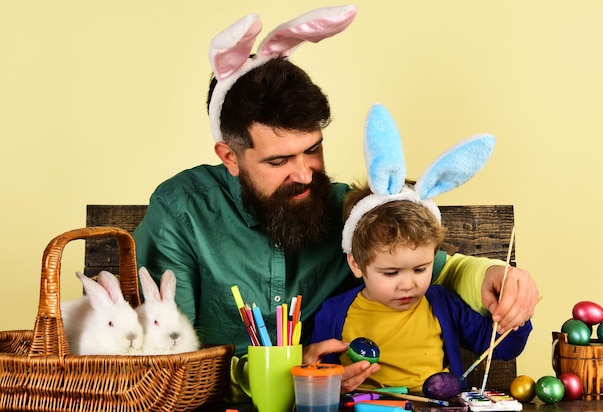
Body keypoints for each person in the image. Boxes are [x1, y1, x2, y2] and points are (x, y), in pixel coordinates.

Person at [132, 7, 538, 395]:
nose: (305, 173)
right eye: (279, 160)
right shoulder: (182, 211)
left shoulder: (348, 209)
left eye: (312, 149)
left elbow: (440, 270)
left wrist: (489, 275)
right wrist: (284, 372)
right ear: (229, 157)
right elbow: (166, 355)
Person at [311, 182, 533, 393]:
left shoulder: (443, 303)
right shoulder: (333, 313)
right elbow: (319, 376)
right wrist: (329, 383)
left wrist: (512, 320)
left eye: (420, 269)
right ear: (356, 264)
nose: (408, 285)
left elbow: (501, 348)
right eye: (391, 273)